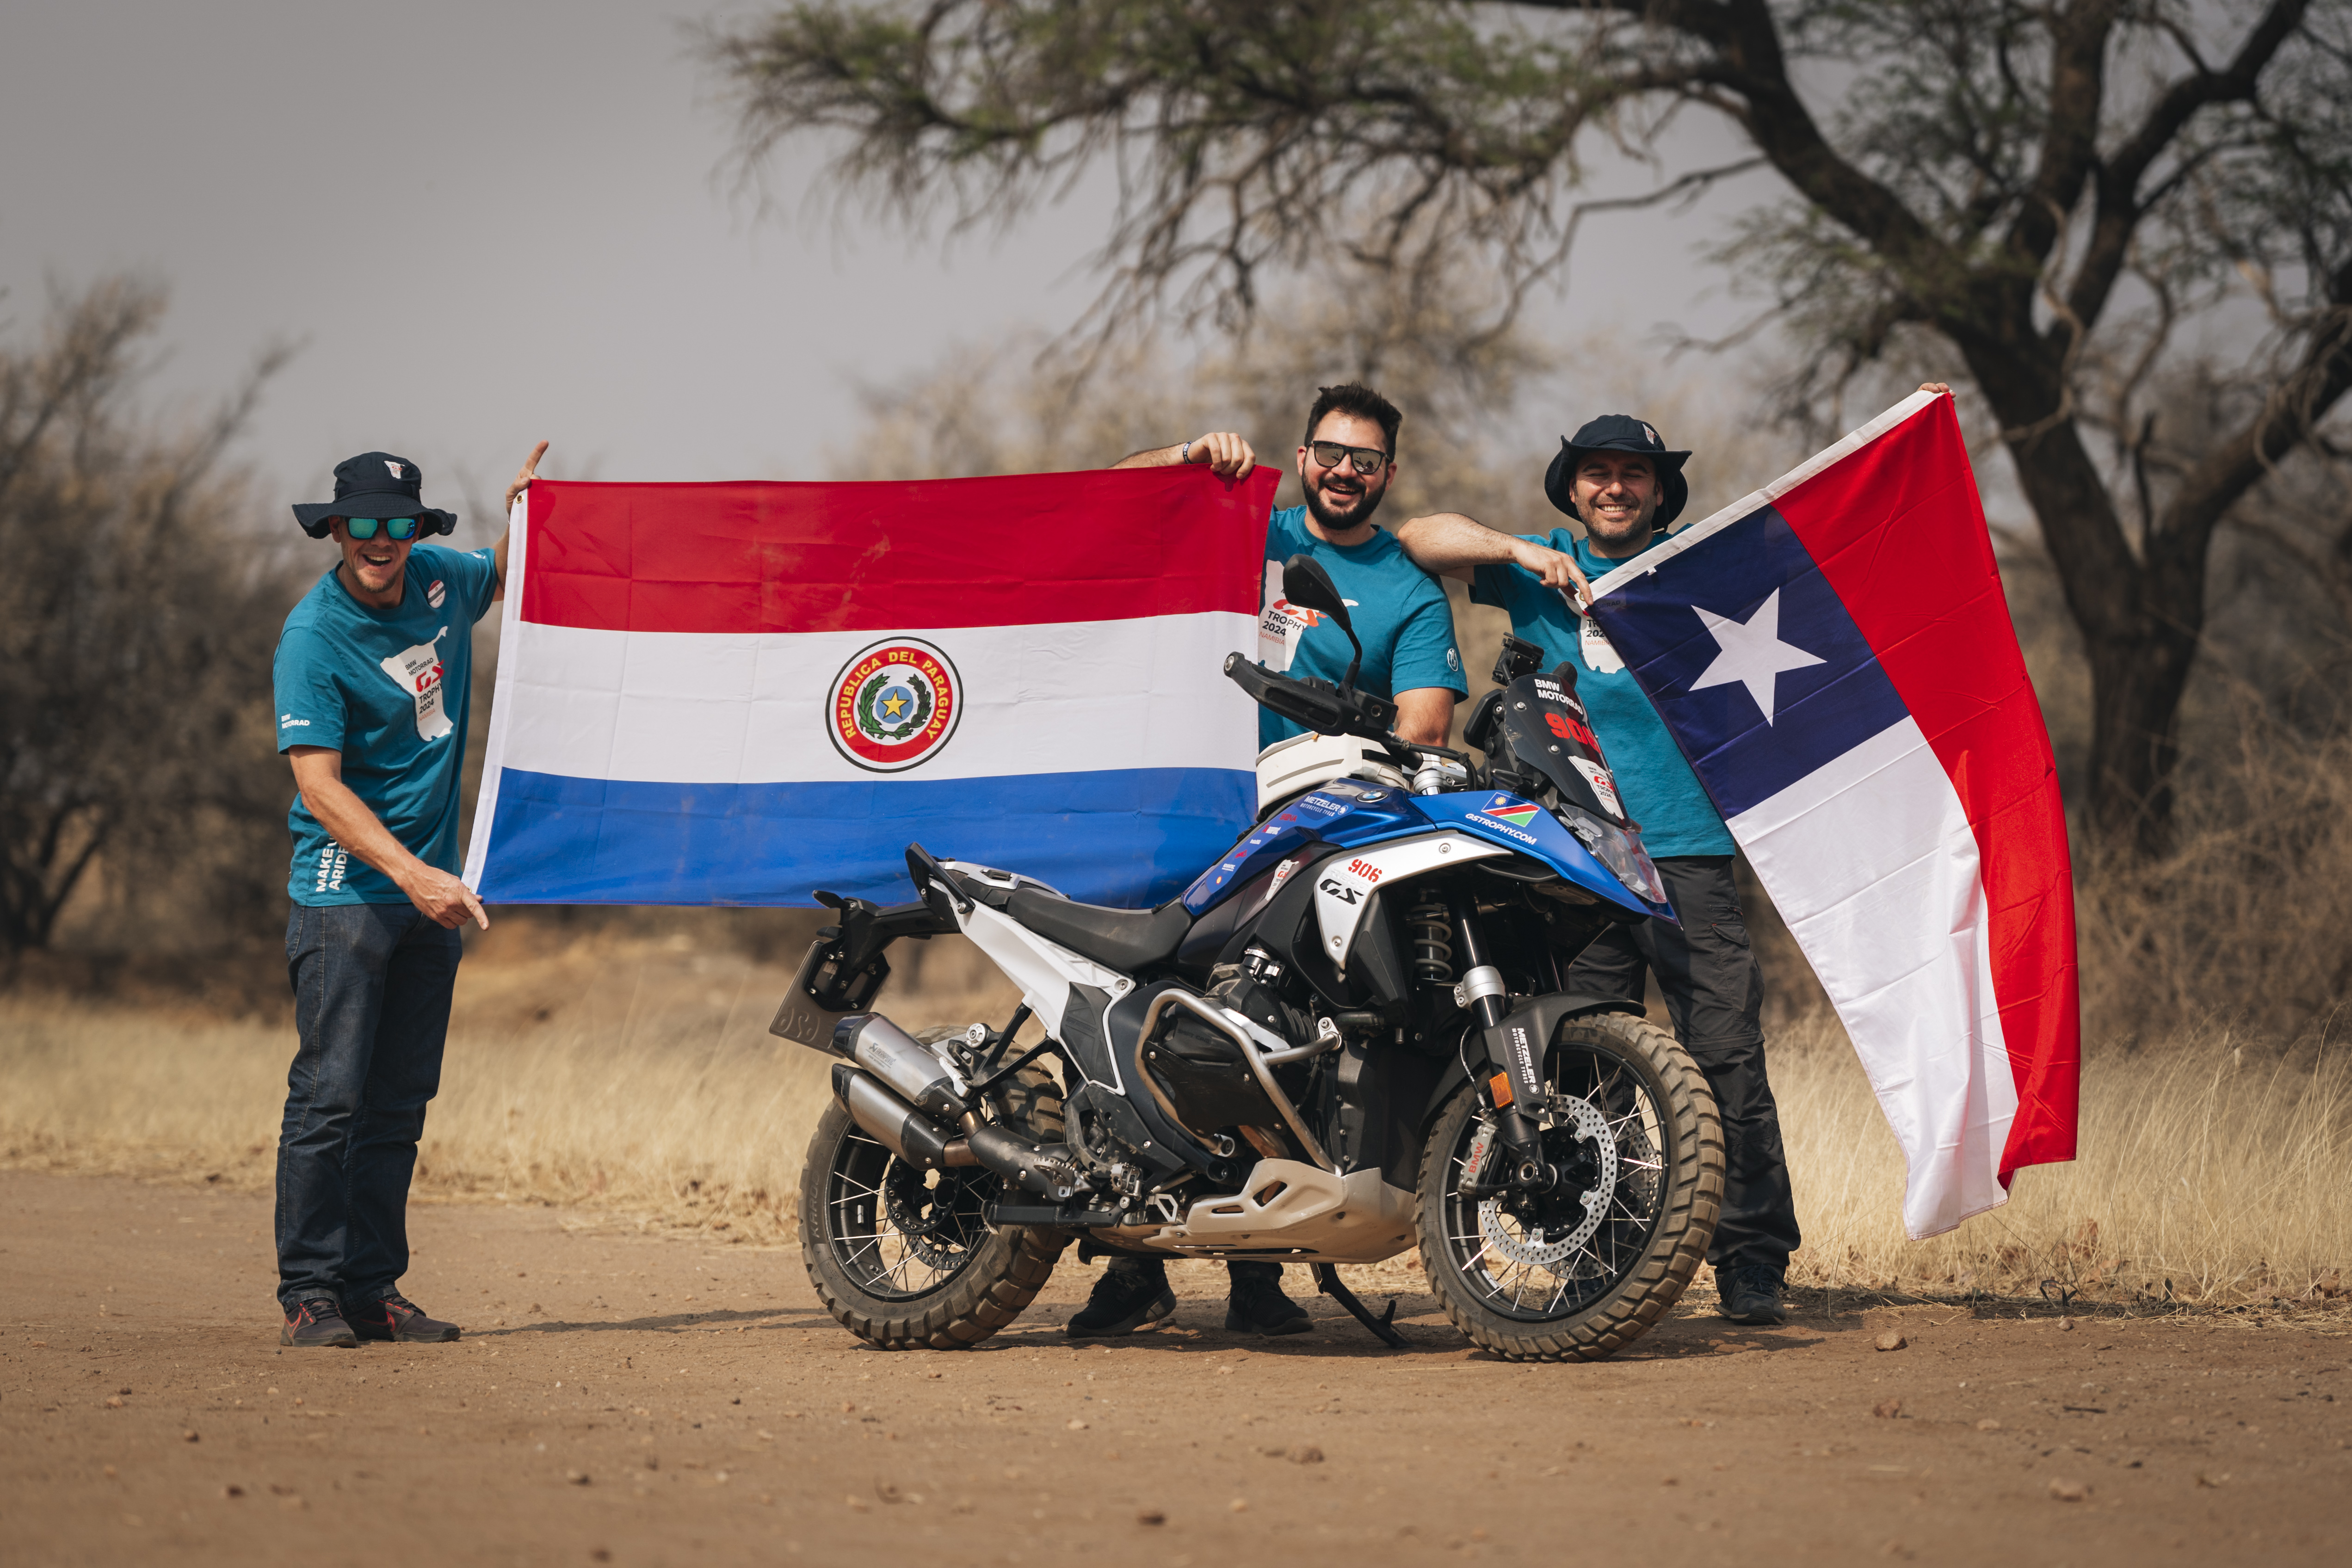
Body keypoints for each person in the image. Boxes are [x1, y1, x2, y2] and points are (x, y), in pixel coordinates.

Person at [1064, 383, 1469, 1339]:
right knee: (1133, 1007)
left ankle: (1256, 1274)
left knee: (1282, 1038)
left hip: (1321, 831)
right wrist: (1183, 459)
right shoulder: (1244, 527)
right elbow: (1107, 499)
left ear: (1387, 474)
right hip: (1191, 813)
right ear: (1303, 456)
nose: (1343, 472)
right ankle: (1131, 1262)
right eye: (1328, 453)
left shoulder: (1408, 589)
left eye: (1363, 460)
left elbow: (1424, 725)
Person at [271, 442, 546, 1347]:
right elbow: (319, 787)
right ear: (336, 530)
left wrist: (529, 513)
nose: (380, 539)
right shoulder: (313, 636)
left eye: (398, 523)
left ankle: (370, 1288)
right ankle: (309, 1292)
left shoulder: (439, 579)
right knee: (330, 1097)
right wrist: (412, 873)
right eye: (363, 523)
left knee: (398, 1104)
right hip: (346, 893)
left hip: (433, 895)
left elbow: (504, 573)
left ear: (416, 529)